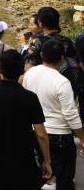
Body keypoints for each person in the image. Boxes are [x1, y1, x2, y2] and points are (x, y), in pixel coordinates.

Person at [0, 49, 51, 190]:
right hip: (24, 156)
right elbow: (41, 134)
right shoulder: (30, 97)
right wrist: (46, 161)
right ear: (22, 71)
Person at [22, 39, 84, 190]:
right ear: (62, 59)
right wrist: (82, 138)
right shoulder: (62, 82)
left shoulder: (30, 74)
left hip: (37, 132)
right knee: (65, 178)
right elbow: (70, 115)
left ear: (42, 55)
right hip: (60, 136)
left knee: (44, 172)